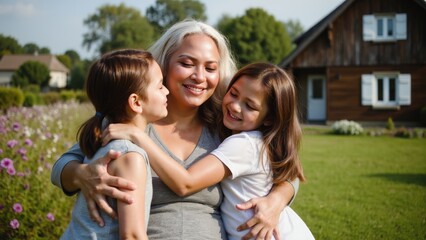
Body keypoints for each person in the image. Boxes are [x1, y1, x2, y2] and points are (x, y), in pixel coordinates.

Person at [51, 19, 298, 239]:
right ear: (164, 64)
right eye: (187, 63)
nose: (199, 76)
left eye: (210, 68)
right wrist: (82, 174)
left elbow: (283, 169)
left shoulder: (225, 124)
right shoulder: (132, 120)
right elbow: (61, 167)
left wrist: (277, 200)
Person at [103, 62, 314, 240]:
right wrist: (77, 171)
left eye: (250, 105)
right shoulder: (239, 133)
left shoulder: (244, 144)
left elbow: (185, 183)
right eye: (233, 94)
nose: (235, 106)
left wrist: (138, 137)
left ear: (269, 118)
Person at [61, 49, 169, 239]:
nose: (167, 91)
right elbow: (132, 235)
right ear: (135, 102)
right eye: (160, 86)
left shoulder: (101, 138)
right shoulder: (129, 156)